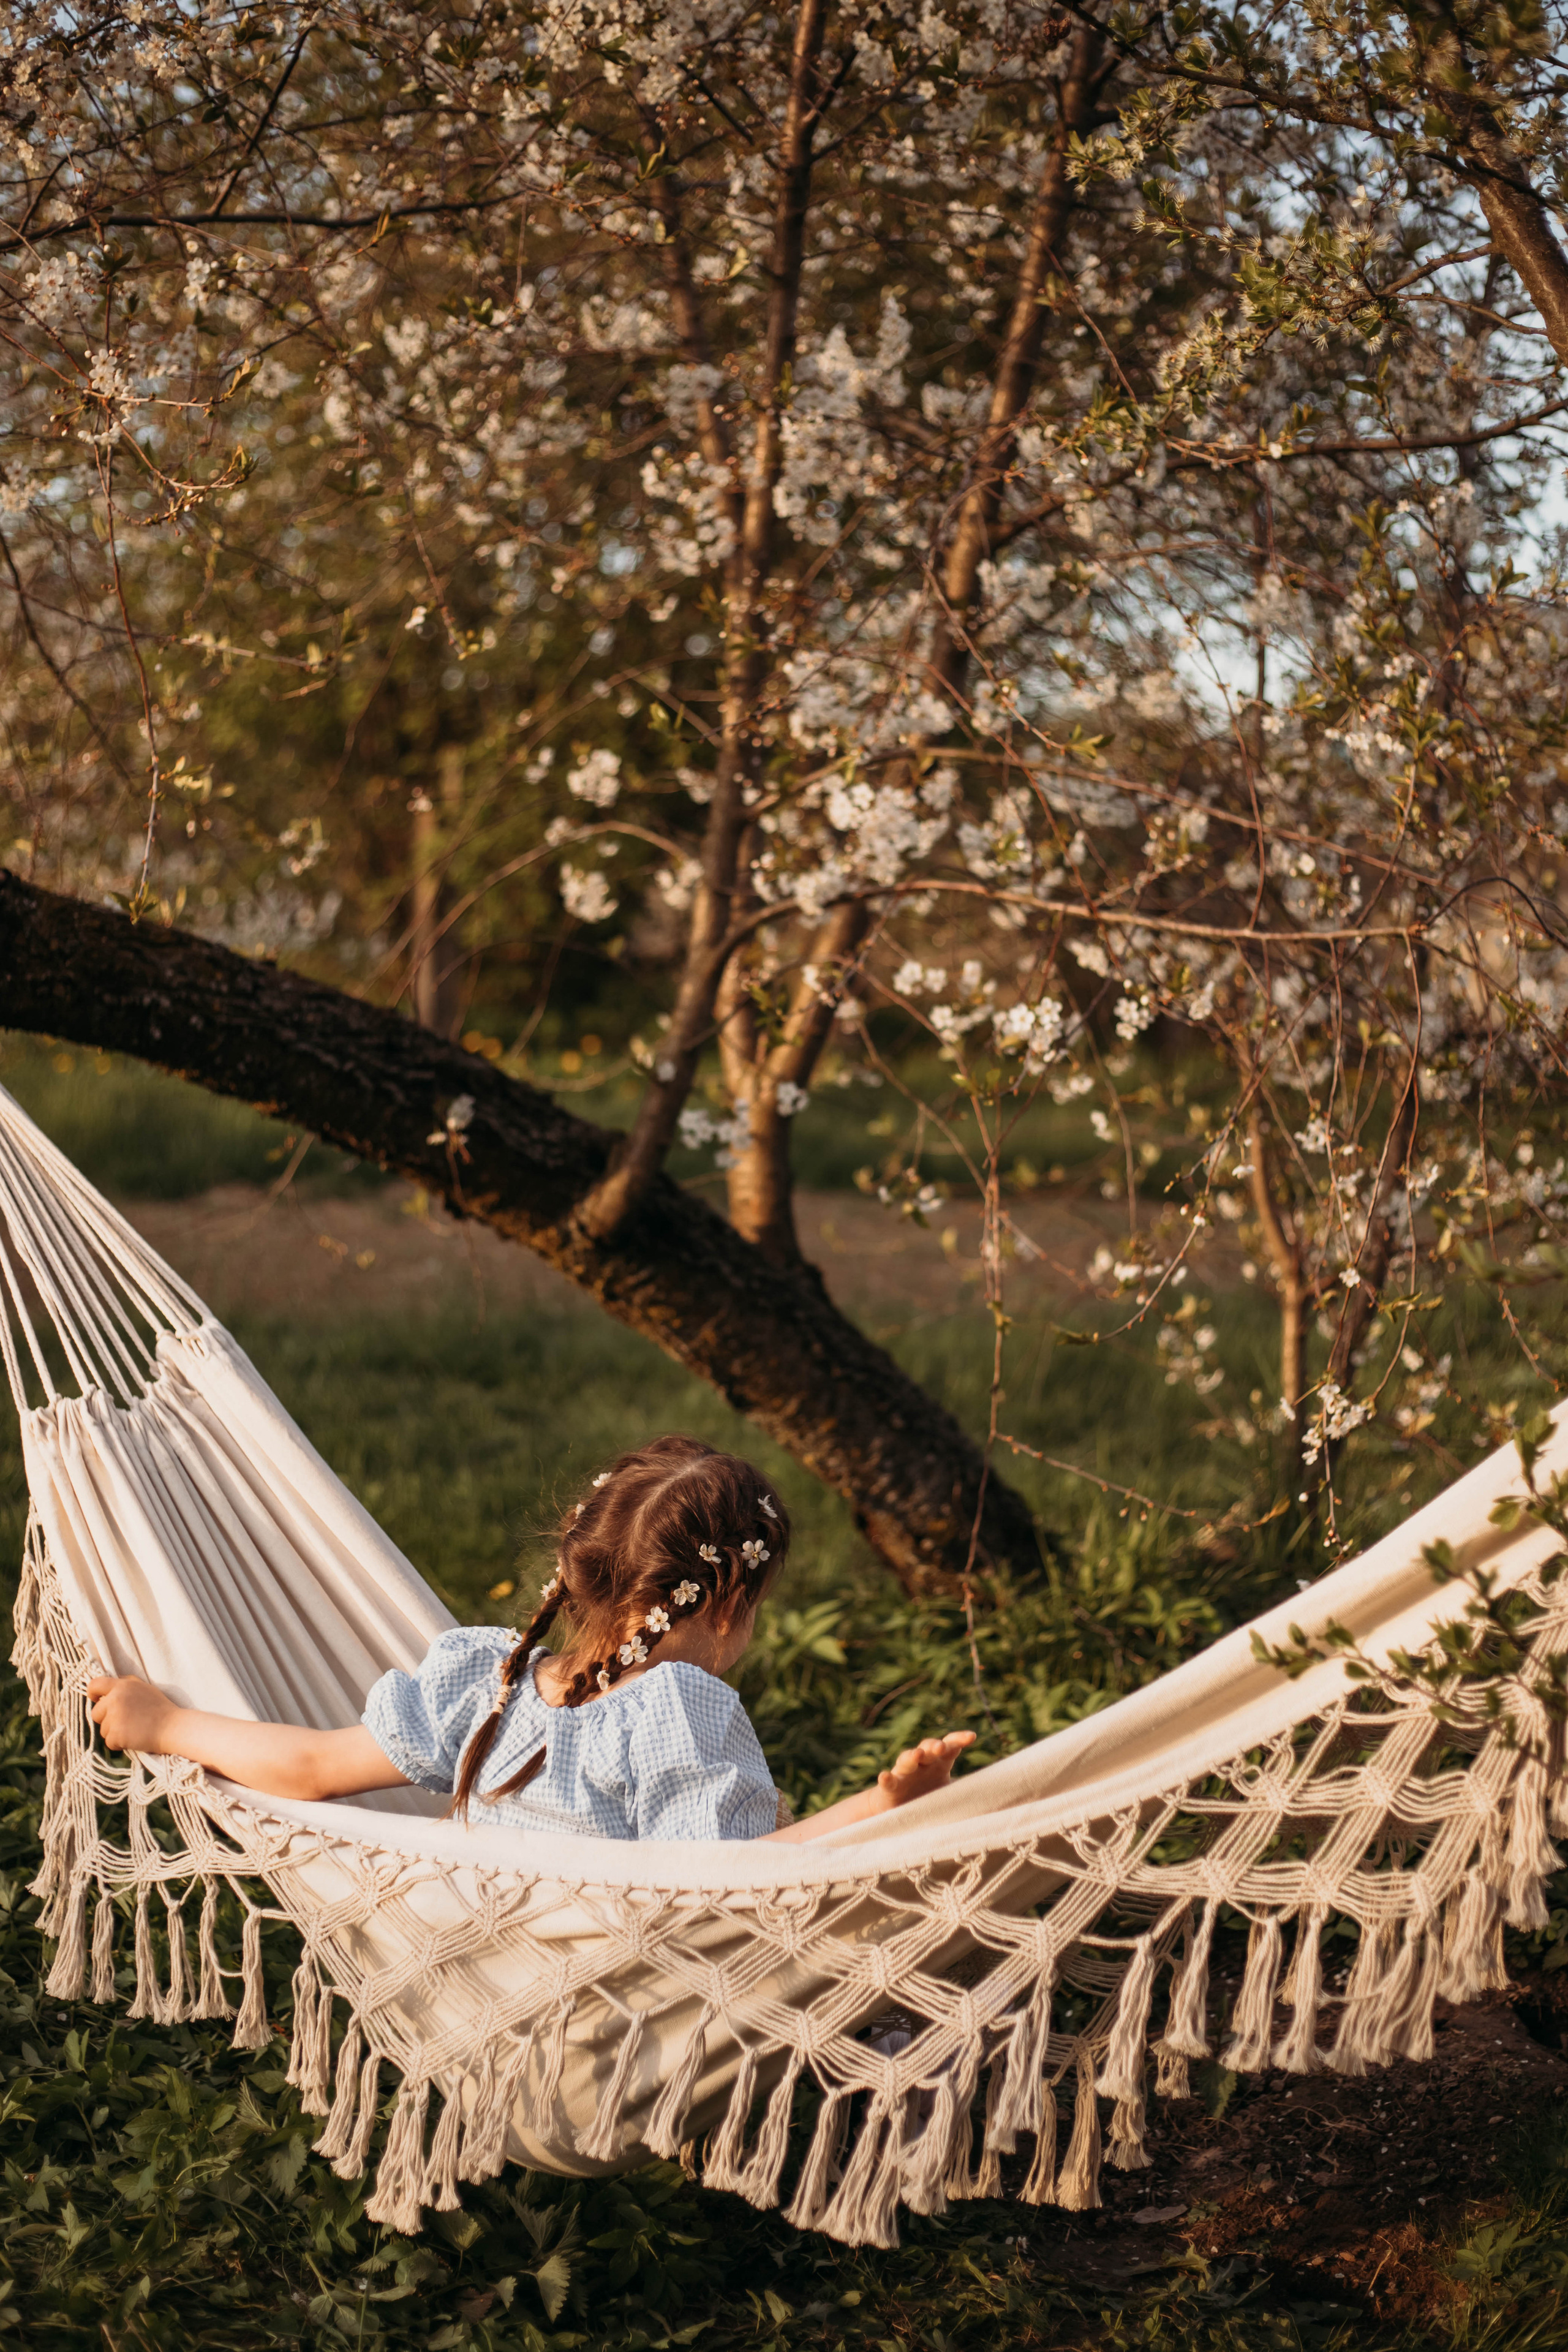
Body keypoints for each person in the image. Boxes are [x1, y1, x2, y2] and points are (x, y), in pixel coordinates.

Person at [87, 1434, 973, 1844]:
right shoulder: (681, 1710)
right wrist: (881, 1810)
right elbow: (722, 1896)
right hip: (620, 2013)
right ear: (730, 1601)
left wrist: (162, 1725)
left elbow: (312, 1769)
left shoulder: (493, 1683)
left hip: (475, 1990)